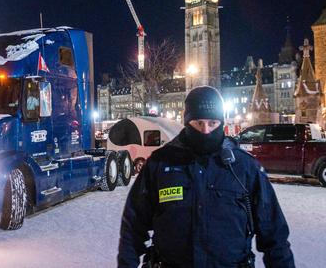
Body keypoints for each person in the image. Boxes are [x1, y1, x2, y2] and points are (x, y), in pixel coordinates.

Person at [118, 86, 295, 268]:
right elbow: (133, 228)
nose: (205, 131)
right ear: (187, 122)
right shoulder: (160, 164)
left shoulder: (244, 168)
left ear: (221, 123)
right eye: (198, 123)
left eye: (212, 123)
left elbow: (275, 236)